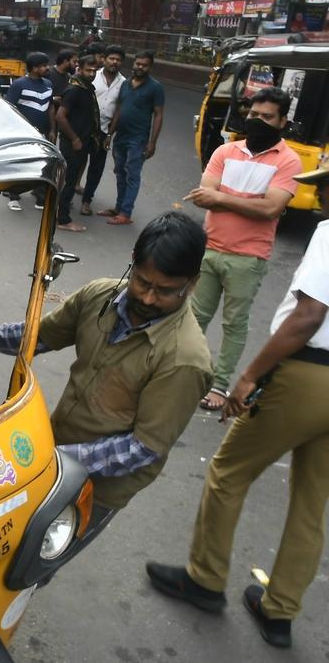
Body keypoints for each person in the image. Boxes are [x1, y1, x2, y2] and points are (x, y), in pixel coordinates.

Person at [145, 166, 329, 651]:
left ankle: (205, 578)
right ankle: (280, 611)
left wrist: (249, 376)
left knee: (228, 472)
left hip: (309, 373)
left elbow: (309, 315)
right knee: (312, 503)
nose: (321, 194)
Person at [0, 212, 211, 523]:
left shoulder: (185, 359)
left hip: (97, 488)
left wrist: (54, 462)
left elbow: (143, 448)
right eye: (141, 281)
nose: (148, 298)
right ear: (132, 263)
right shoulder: (99, 295)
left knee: (36, 562)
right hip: (51, 452)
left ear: (192, 284)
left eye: (166, 291)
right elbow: (38, 337)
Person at [183, 86, 303, 412]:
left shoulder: (289, 161)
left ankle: (220, 386)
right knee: (195, 317)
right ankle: (183, 376)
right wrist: (248, 201)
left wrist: (222, 198)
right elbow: (204, 192)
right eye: (253, 115)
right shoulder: (226, 151)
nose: (257, 121)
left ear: (282, 122)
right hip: (210, 249)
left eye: (267, 117)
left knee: (234, 325)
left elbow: (270, 209)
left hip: (249, 257)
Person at [102, 51, 165, 226]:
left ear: (150, 67)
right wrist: (110, 134)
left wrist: (152, 142)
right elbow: (119, 110)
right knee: (120, 172)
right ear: (134, 64)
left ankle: (126, 213)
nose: (140, 67)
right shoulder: (125, 84)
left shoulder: (155, 87)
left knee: (132, 175)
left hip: (138, 140)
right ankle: (119, 207)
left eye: (144, 65)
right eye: (138, 64)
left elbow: (159, 115)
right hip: (121, 136)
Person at [4, 51, 55, 212]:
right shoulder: (18, 84)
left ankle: (40, 196)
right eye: (43, 66)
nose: (47, 68)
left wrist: (53, 129)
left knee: (42, 164)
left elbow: (51, 107)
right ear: (33, 68)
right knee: (19, 164)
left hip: (43, 134)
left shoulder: (48, 84)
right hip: (22, 133)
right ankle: (13, 196)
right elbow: (9, 108)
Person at [55, 54, 100, 233]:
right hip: (72, 144)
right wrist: (74, 139)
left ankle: (60, 212)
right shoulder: (75, 90)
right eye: (88, 70)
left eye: (94, 71)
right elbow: (60, 116)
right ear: (79, 69)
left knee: (70, 181)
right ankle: (63, 219)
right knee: (69, 181)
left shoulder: (86, 88)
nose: (91, 74)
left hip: (82, 143)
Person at [82, 44, 125, 216]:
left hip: (103, 131)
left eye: (118, 60)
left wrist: (109, 134)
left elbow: (118, 111)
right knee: (75, 164)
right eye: (111, 58)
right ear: (104, 60)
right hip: (84, 128)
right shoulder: (92, 75)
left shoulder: (124, 84)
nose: (114, 62)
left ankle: (86, 201)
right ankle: (66, 196)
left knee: (96, 168)